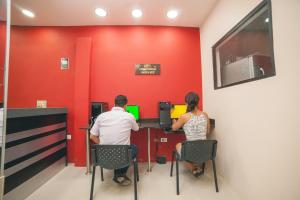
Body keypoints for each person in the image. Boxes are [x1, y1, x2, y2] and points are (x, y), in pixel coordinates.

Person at [90, 95, 139, 186]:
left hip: (103, 157)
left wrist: (103, 144)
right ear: (125, 106)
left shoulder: (101, 116)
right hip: (122, 156)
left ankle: (118, 174)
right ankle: (120, 174)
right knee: (134, 148)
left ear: (114, 104)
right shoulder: (129, 116)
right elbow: (136, 129)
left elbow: (92, 136)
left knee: (121, 150)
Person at [171, 92, 210, 177]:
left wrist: (174, 120)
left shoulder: (184, 116)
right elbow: (207, 132)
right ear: (197, 102)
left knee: (179, 145)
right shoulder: (205, 115)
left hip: (190, 152)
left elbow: (174, 128)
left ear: (186, 103)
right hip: (205, 151)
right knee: (189, 146)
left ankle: (193, 168)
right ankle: (194, 167)